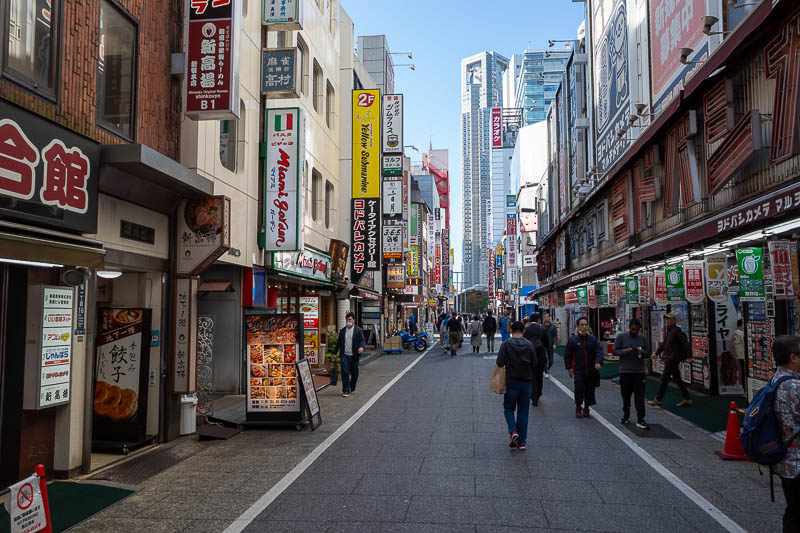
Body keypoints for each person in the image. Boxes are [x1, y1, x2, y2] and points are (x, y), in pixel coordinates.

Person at [495, 320, 540, 451]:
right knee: (523, 412)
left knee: (508, 408)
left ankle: (513, 431)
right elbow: (535, 362)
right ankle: (522, 442)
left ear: (511, 330)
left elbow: (499, 363)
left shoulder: (506, 344)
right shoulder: (529, 344)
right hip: (526, 381)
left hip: (511, 381)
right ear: (523, 331)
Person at [771, 335, 800, 533]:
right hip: (797, 462)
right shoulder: (794, 387)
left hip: (784, 460)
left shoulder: (774, 380)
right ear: (793, 358)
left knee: (794, 512)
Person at [613, 318, 651, 430]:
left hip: (639, 372)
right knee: (626, 396)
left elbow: (648, 353)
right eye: (633, 329)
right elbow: (615, 351)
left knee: (639, 397)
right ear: (629, 328)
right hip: (625, 371)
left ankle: (641, 419)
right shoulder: (621, 337)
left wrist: (640, 351)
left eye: (637, 330)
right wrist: (627, 351)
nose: (635, 331)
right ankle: (626, 415)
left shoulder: (643, 338)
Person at [648, 312, 692, 407]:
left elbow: (685, 344)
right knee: (677, 379)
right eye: (666, 319)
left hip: (672, 358)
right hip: (670, 357)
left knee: (664, 378)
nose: (667, 320)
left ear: (675, 320)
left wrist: (689, 356)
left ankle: (658, 399)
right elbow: (664, 344)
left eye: (670, 319)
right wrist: (656, 353)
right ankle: (687, 398)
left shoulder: (677, 331)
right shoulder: (669, 331)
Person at [565, 316, 604, 418]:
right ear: (578, 326)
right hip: (578, 370)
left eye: (586, 324)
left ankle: (586, 407)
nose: (584, 327)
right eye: (582, 325)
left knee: (589, 390)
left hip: (591, 370)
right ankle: (578, 407)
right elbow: (568, 355)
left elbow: (599, 352)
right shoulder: (573, 340)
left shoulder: (593, 339)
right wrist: (569, 368)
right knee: (579, 388)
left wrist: (598, 362)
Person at [333, 312, 365, 397]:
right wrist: (335, 352)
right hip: (344, 355)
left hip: (354, 355)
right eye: (347, 320)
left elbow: (362, 341)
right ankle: (346, 390)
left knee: (355, 373)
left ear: (353, 320)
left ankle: (352, 386)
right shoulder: (342, 331)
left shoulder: (358, 330)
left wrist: (361, 347)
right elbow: (338, 342)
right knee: (345, 372)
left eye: (350, 319)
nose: (348, 321)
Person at [523, 315, 549, 406]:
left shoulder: (527, 330)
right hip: (541, 356)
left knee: (532, 376)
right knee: (539, 376)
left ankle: (533, 396)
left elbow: (524, 343)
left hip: (530, 357)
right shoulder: (542, 330)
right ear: (538, 320)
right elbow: (547, 344)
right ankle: (538, 393)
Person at [732, 319, 746, 387]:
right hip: (743, 355)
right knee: (744, 372)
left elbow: (733, 345)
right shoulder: (741, 333)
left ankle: (743, 386)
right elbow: (745, 343)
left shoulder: (734, 334)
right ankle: (745, 387)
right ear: (741, 325)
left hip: (738, 355)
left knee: (741, 371)